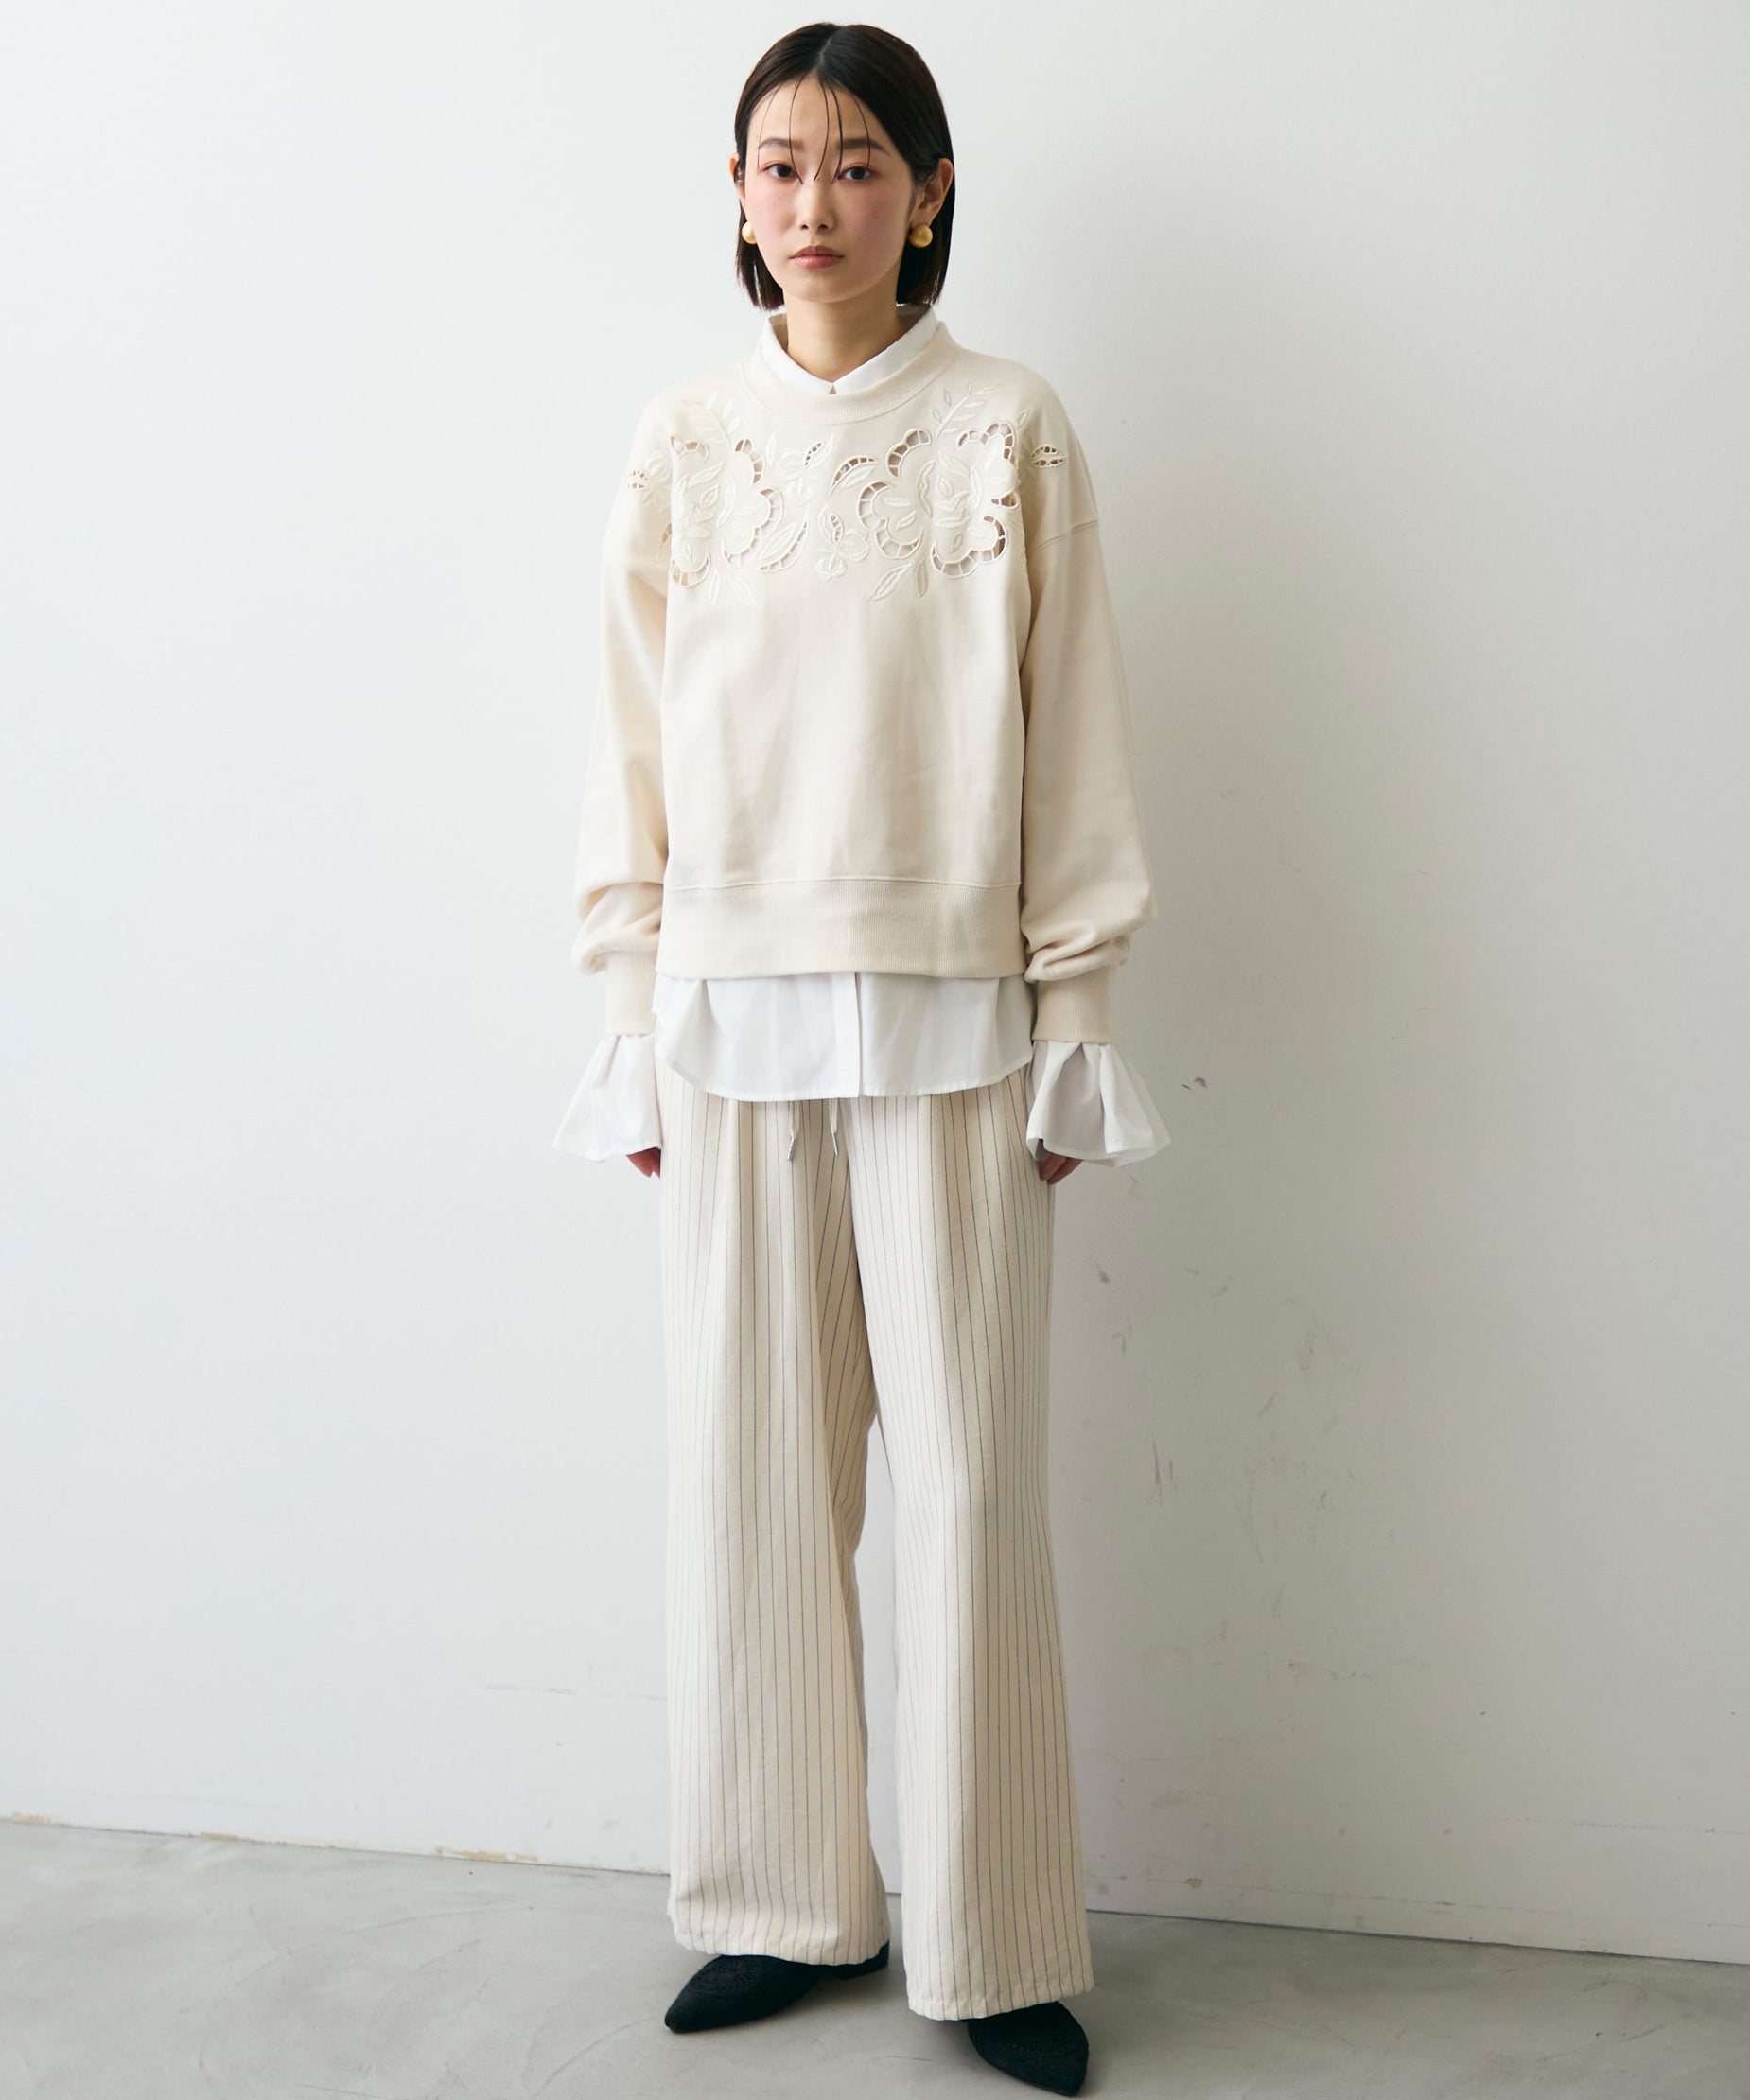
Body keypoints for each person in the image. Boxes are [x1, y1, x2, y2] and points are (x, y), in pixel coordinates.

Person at [552, 24, 1167, 2095]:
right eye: (777, 164)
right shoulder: (681, 440)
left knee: (972, 1492)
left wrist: (1076, 1016)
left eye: (855, 164)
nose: (812, 203)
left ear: (928, 190)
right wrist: (627, 1015)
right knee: (753, 1482)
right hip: (730, 1026)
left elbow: (1072, 730)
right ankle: (773, 1902)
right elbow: (627, 748)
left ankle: (993, 1942)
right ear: (735, 195)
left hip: (953, 1027)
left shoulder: (1007, 429)